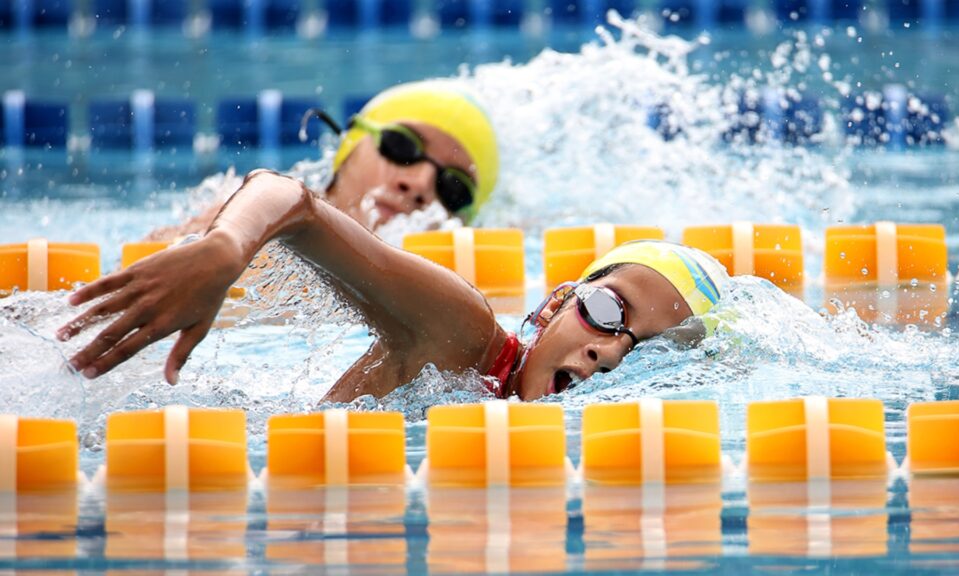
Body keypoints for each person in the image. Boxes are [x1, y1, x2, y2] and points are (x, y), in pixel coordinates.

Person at [56, 171, 729, 402]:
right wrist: (224, 250)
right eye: (610, 311)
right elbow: (288, 199)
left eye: (645, 350)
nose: (611, 352)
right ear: (555, 304)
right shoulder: (462, 337)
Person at [147, 80, 500, 240]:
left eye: (454, 188)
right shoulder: (240, 217)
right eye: (402, 147)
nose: (419, 184)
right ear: (350, 146)